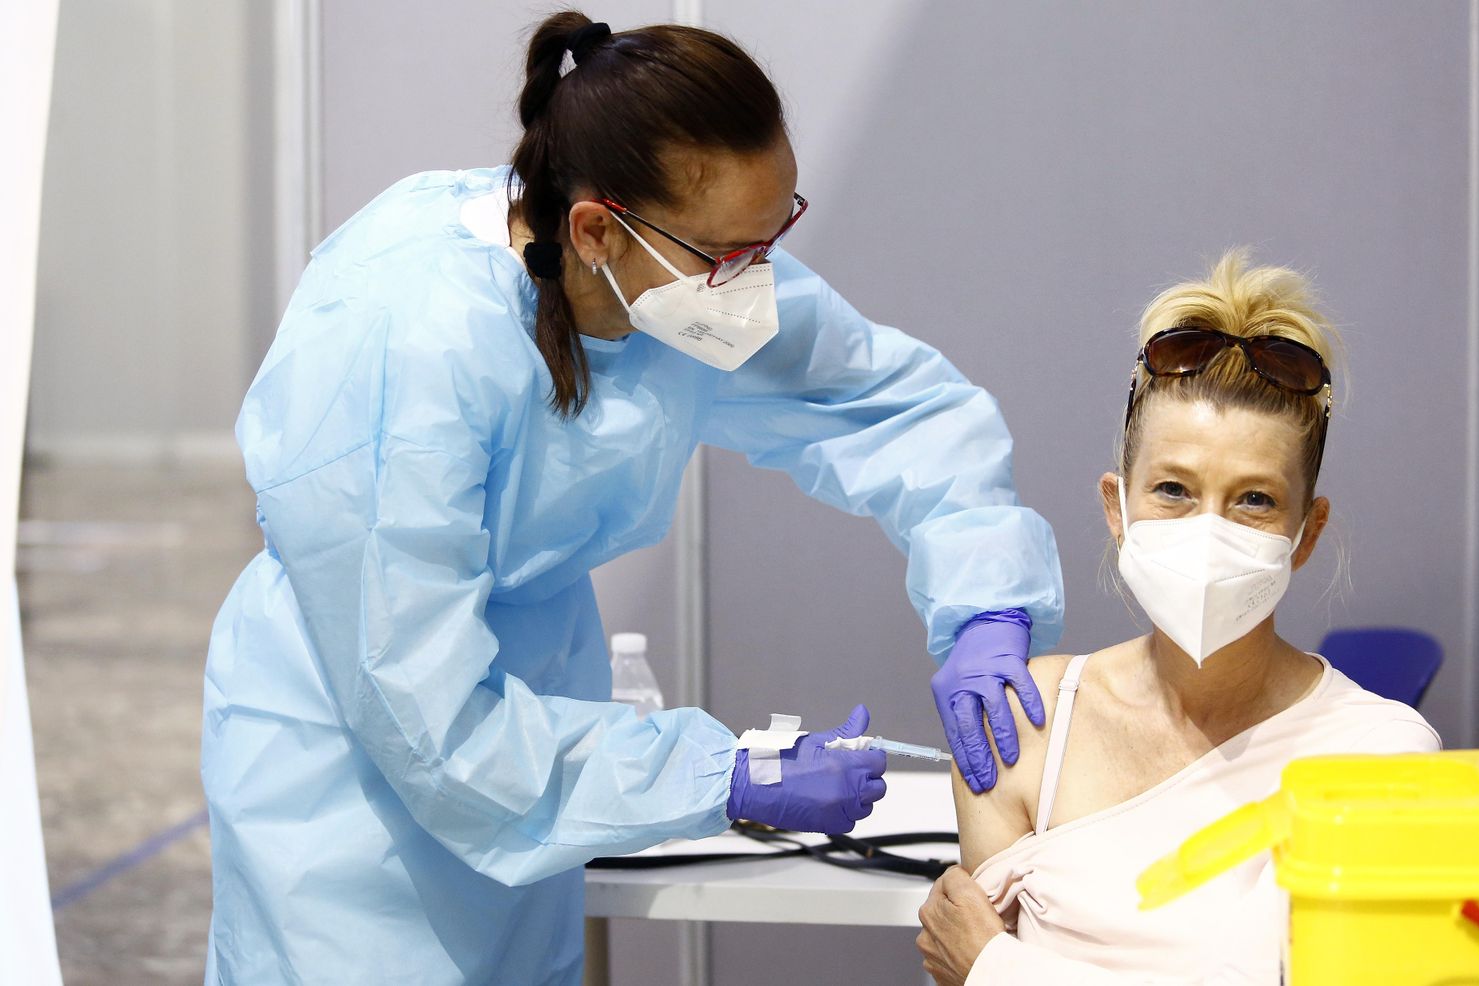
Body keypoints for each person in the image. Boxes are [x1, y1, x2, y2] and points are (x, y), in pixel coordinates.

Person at [201, 12, 1064, 985]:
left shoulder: (675, 277)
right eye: (729, 254)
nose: (755, 284)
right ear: (595, 230)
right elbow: (429, 722)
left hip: (535, 718)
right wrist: (720, 775)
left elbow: (894, 407)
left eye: (773, 235)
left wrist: (988, 602)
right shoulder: (409, 342)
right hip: (353, 786)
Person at [915, 252, 1441, 985]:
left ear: (1307, 533)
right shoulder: (1026, 723)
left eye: (1254, 499)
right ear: (1117, 509)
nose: (1207, 530)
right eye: (1172, 490)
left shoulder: (1381, 757)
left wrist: (993, 968)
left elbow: (978, 965)